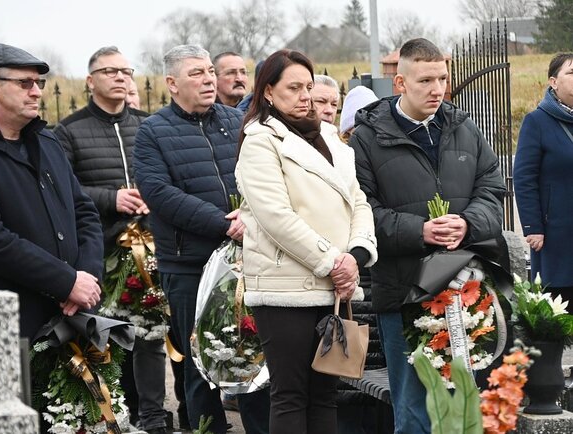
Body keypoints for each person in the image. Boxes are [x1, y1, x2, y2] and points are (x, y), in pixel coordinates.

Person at [348, 38, 506, 434]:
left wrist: (467, 223)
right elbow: (359, 211)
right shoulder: (367, 138)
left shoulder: (464, 128)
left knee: (466, 403)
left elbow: (492, 190)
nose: (437, 89)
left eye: (442, 79)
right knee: (414, 409)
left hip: (466, 287)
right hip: (403, 289)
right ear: (400, 83)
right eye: (425, 81)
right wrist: (419, 231)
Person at [235, 49, 378, 434]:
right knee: (291, 394)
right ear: (268, 92)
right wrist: (333, 262)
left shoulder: (330, 136)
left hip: (336, 284)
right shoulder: (260, 141)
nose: (304, 96)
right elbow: (276, 217)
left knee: (326, 395)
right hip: (286, 288)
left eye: (308, 86)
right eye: (293, 87)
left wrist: (356, 255)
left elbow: (358, 201)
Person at [134, 44, 269, 434]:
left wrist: (250, 215)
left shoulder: (238, 121)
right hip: (189, 266)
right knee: (200, 365)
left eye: (210, 71)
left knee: (251, 357)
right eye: (197, 73)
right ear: (172, 83)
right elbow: (159, 194)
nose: (209, 79)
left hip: (245, 259)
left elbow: (263, 175)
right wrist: (223, 223)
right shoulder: (153, 131)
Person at [0, 43, 104, 341]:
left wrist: (86, 277)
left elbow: (84, 212)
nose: (36, 92)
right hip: (14, 325)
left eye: (39, 83)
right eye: (25, 83)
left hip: (73, 315)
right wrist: (66, 282)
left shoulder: (48, 143)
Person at [53, 47, 167, 434]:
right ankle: (114, 417)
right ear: (90, 81)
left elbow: (165, 175)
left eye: (125, 71)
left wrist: (153, 195)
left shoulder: (148, 124)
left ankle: (153, 418)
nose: (120, 77)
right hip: (99, 248)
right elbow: (61, 189)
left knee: (149, 335)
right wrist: (110, 198)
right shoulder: (69, 131)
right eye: (110, 71)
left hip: (148, 247)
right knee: (107, 337)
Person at [515, 52, 573, 305]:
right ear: (553, 82)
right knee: (560, 309)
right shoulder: (537, 122)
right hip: (556, 234)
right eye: (571, 73)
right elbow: (524, 178)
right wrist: (533, 227)